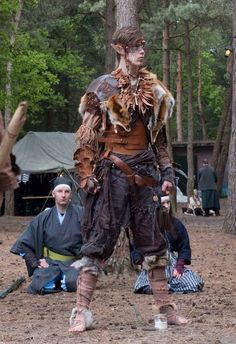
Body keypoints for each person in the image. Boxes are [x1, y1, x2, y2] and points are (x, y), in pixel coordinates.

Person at [69, 26, 188, 333]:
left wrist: (167, 174)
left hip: (145, 174)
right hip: (112, 174)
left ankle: (166, 309)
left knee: (153, 241)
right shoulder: (105, 87)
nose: (142, 51)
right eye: (135, 46)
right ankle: (81, 312)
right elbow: (86, 136)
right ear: (120, 49)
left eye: (143, 46)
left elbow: (159, 141)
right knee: (100, 239)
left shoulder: (154, 89)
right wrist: (85, 175)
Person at [10, 176, 83, 294]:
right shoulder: (43, 217)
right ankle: (56, 280)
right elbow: (23, 244)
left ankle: (61, 281)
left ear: (71, 194)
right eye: (60, 191)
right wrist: (36, 262)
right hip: (50, 263)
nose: (63, 195)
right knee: (37, 286)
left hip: (73, 263)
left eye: (67, 192)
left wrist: (84, 261)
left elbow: (92, 240)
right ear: (53, 194)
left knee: (73, 283)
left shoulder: (82, 214)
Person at [133, 195, 204, 294]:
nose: (166, 206)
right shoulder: (147, 225)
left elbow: (184, 248)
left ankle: (165, 288)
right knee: (143, 284)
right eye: (163, 203)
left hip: (172, 266)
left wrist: (179, 267)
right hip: (153, 265)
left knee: (194, 283)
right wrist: (141, 262)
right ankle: (158, 287)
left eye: (168, 203)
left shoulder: (177, 224)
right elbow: (138, 247)